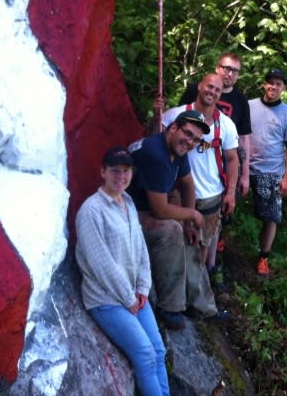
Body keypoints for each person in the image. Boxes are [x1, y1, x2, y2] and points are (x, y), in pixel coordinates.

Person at [75, 146, 169, 396]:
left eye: (126, 171)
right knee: (146, 354)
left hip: (134, 296)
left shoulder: (127, 202)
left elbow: (140, 250)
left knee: (159, 351)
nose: (121, 177)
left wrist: (142, 288)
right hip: (106, 300)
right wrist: (129, 298)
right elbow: (101, 263)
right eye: (115, 171)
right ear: (103, 172)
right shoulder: (91, 210)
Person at [128, 110, 224, 330]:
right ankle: (170, 306)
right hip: (124, 215)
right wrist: (191, 215)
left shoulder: (177, 152)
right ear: (173, 128)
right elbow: (160, 210)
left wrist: (189, 223)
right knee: (171, 229)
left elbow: (188, 184)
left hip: (144, 209)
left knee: (187, 231)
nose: (190, 142)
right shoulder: (156, 153)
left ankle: (201, 306)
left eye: (195, 139)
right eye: (187, 134)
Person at [162, 73, 239, 318]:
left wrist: (231, 192)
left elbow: (232, 158)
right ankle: (176, 301)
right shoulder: (174, 115)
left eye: (217, 90)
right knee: (175, 248)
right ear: (199, 87)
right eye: (209, 87)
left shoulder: (225, 125)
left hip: (210, 198)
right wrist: (156, 116)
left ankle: (190, 304)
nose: (213, 92)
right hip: (177, 194)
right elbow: (155, 141)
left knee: (202, 250)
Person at [175, 54, 251, 286]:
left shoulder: (239, 102)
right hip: (183, 178)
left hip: (217, 176)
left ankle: (209, 272)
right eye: (226, 68)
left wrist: (243, 175)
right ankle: (181, 281)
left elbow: (243, 141)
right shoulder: (194, 92)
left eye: (235, 71)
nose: (229, 73)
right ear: (217, 68)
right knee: (178, 234)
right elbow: (172, 125)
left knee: (214, 228)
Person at [248, 68, 287, 275]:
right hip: (245, 167)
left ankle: (263, 257)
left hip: (271, 171)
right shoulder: (249, 106)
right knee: (227, 205)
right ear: (264, 84)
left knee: (271, 216)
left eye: (278, 84)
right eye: (270, 82)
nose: (273, 86)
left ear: (284, 88)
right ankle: (221, 243)